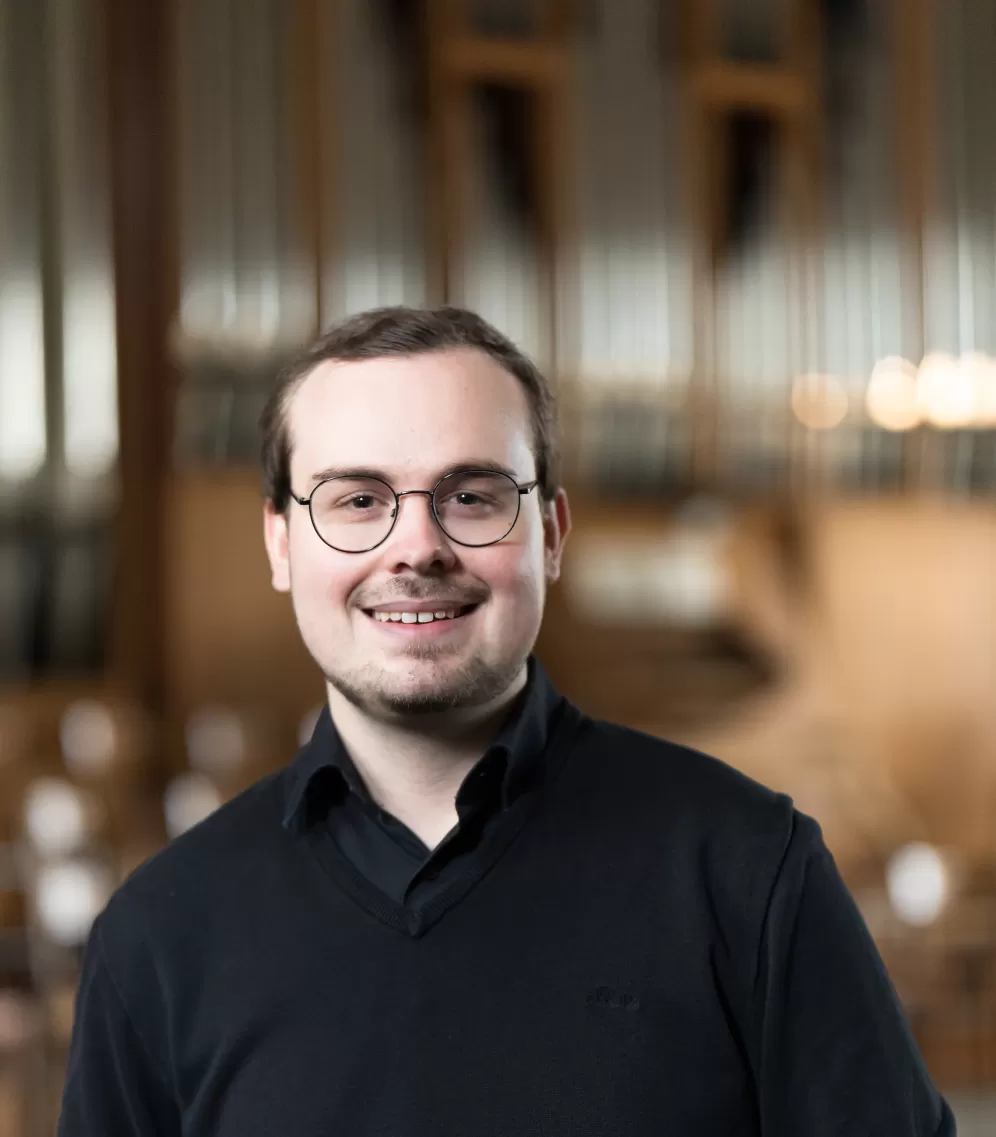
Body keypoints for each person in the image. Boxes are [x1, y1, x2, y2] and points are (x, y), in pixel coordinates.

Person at [59, 306, 955, 1136]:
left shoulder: (750, 868)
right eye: (358, 500)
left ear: (552, 534)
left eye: (472, 496)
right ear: (280, 543)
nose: (417, 547)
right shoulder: (158, 934)